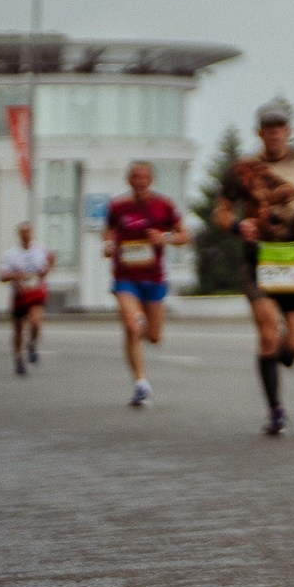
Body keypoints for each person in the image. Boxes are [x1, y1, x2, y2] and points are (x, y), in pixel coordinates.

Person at [214, 101, 294, 436]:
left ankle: (275, 359)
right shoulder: (242, 168)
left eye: (280, 128)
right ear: (259, 133)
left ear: (288, 131)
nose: (274, 134)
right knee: (269, 333)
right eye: (268, 129)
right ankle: (275, 410)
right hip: (258, 261)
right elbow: (222, 211)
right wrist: (238, 227)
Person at [105, 160, 189, 407]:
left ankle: (139, 329)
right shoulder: (118, 206)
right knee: (132, 327)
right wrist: (108, 244)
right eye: (135, 177)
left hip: (154, 278)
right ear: (128, 180)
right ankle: (141, 383)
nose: (140, 181)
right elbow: (108, 231)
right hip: (125, 277)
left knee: (153, 337)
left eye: (144, 177)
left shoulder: (163, 205)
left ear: (151, 179)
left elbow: (185, 236)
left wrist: (165, 237)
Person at [0, 222, 51, 377]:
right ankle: (18, 358)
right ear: (19, 235)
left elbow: (47, 266)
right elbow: (2, 276)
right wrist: (16, 276)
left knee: (35, 322)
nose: (26, 235)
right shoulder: (11, 254)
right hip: (19, 294)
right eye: (23, 233)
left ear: (32, 233)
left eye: (28, 232)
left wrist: (44, 271)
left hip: (35, 292)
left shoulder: (40, 249)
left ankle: (32, 344)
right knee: (18, 329)